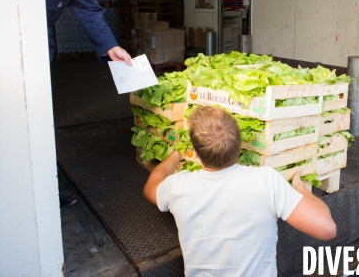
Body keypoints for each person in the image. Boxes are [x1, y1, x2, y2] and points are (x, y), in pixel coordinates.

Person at [143, 106, 337, 276]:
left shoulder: (179, 186)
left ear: (194, 153)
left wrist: (176, 153)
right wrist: (300, 189)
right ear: (238, 146)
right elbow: (327, 230)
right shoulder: (266, 180)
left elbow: (152, 186)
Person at [42, 0, 132, 207]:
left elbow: (87, 9)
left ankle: (46, 186)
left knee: (39, 117)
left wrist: (110, 46)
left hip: (41, 41)